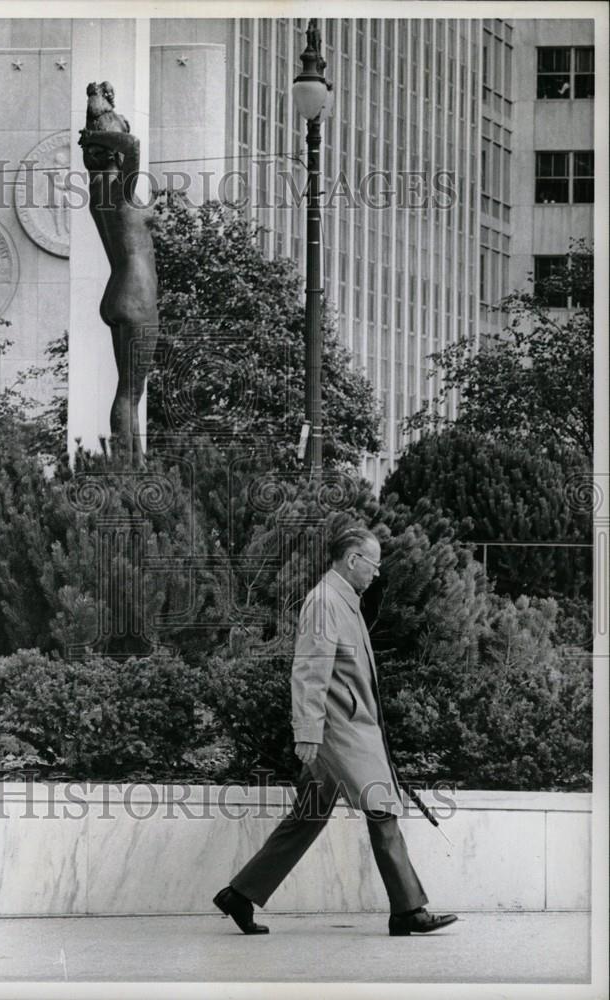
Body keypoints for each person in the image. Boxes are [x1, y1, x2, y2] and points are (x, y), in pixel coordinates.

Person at [213, 520, 458, 937]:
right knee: (382, 808)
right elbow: (309, 668)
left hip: (347, 725)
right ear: (352, 560)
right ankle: (407, 909)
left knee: (308, 815)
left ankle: (239, 895)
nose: (376, 573)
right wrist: (306, 730)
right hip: (339, 729)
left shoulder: (340, 598)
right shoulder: (325, 600)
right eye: (373, 565)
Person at [79, 85, 158, 469]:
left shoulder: (97, 189)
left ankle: (135, 462)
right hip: (136, 293)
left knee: (129, 390)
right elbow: (133, 145)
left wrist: (95, 134)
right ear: (112, 152)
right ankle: (127, 469)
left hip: (117, 291)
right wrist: (102, 133)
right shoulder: (120, 186)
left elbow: (125, 143)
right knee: (130, 391)